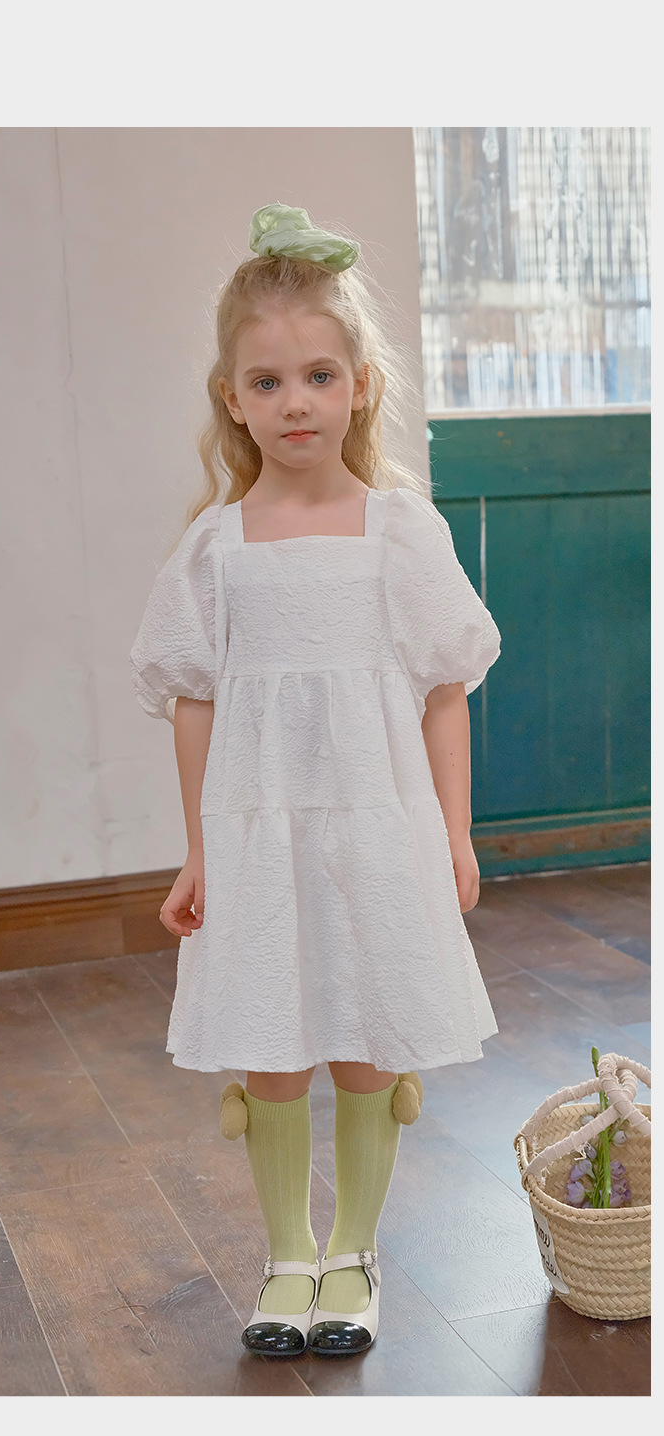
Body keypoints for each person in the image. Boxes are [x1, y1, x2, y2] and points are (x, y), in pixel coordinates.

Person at [130, 203, 502, 1358]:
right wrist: (200, 848)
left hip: (377, 830)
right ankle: (288, 1255)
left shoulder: (398, 532)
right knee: (274, 1040)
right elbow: (194, 699)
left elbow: (442, 691)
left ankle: (353, 1253)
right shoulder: (217, 547)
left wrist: (454, 835)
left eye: (318, 376)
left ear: (359, 385)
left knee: (366, 1034)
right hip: (262, 834)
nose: (295, 401)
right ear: (232, 399)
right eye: (268, 381)